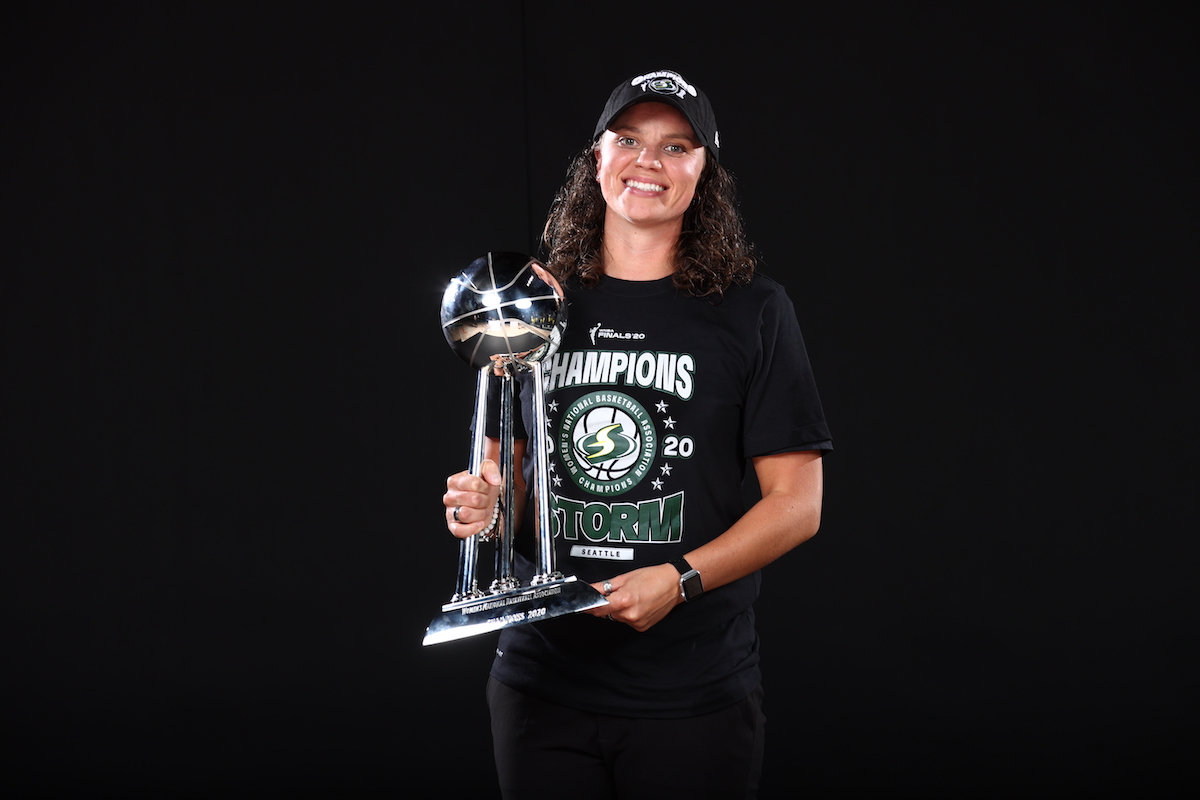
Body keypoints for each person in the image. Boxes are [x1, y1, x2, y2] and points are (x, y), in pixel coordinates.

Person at [442, 69, 832, 800]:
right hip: (541, 684)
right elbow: (503, 474)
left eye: (676, 146)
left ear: (703, 170)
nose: (648, 162)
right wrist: (485, 504)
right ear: (597, 158)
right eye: (629, 139)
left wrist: (678, 580)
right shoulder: (537, 298)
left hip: (694, 692)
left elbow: (797, 505)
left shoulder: (752, 311)